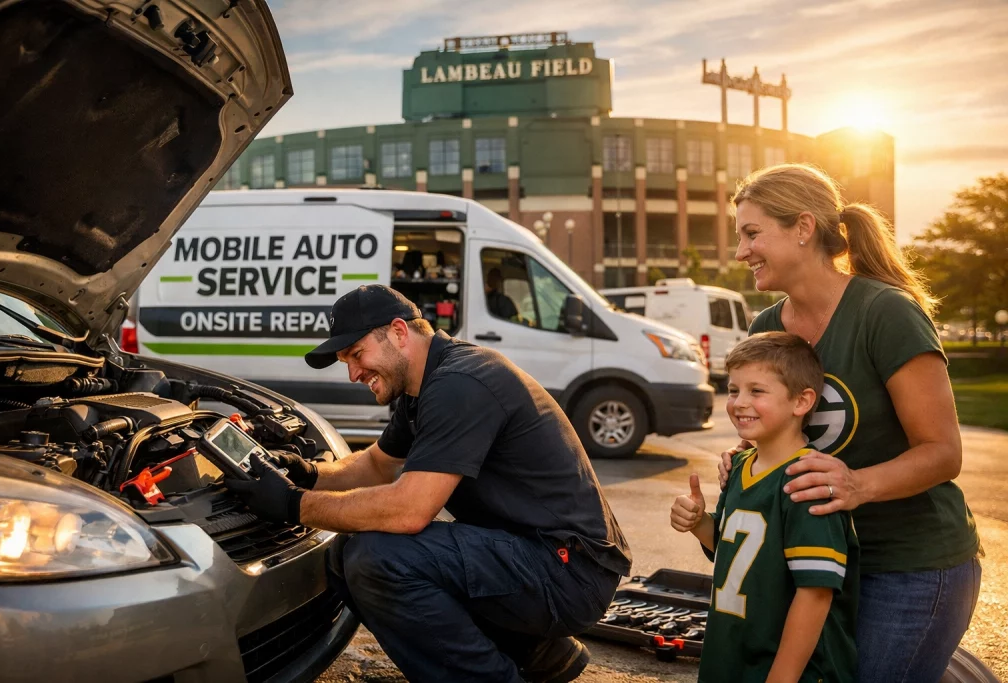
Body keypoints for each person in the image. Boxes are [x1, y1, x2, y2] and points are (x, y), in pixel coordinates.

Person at [227, 284, 631, 683]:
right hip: (535, 554)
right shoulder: (422, 387)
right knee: (344, 552)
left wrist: (293, 504)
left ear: (399, 332)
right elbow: (377, 465)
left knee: (378, 558)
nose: (352, 374)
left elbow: (409, 511)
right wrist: (309, 474)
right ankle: (538, 653)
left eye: (356, 354)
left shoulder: (461, 382)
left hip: (568, 571)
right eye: (344, 361)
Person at [718, 163, 981, 683]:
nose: (741, 252)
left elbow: (943, 452)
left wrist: (856, 484)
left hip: (910, 565)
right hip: (819, 561)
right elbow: (784, 433)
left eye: (752, 234)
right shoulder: (767, 325)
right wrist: (747, 459)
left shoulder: (886, 312)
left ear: (802, 227)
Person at [673, 332, 858, 682]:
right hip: (731, 658)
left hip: (786, 670)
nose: (740, 402)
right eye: (733, 390)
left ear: (801, 401)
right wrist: (698, 523)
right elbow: (736, 551)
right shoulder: (740, 466)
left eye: (756, 391)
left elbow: (815, 593)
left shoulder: (809, 482)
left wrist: (781, 678)